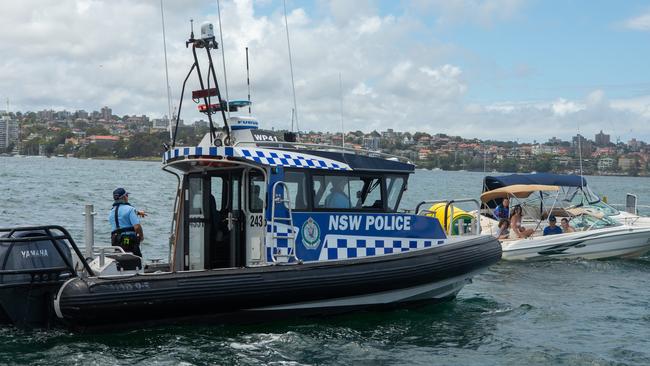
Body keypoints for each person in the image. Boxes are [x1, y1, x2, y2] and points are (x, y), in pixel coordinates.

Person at [109, 188, 146, 257]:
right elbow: (137, 227)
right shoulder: (130, 209)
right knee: (136, 258)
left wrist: (137, 212)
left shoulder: (111, 211)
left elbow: (121, 214)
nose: (127, 197)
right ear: (124, 197)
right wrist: (141, 237)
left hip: (115, 240)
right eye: (127, 195)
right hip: (128, 240)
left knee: (119, 258)